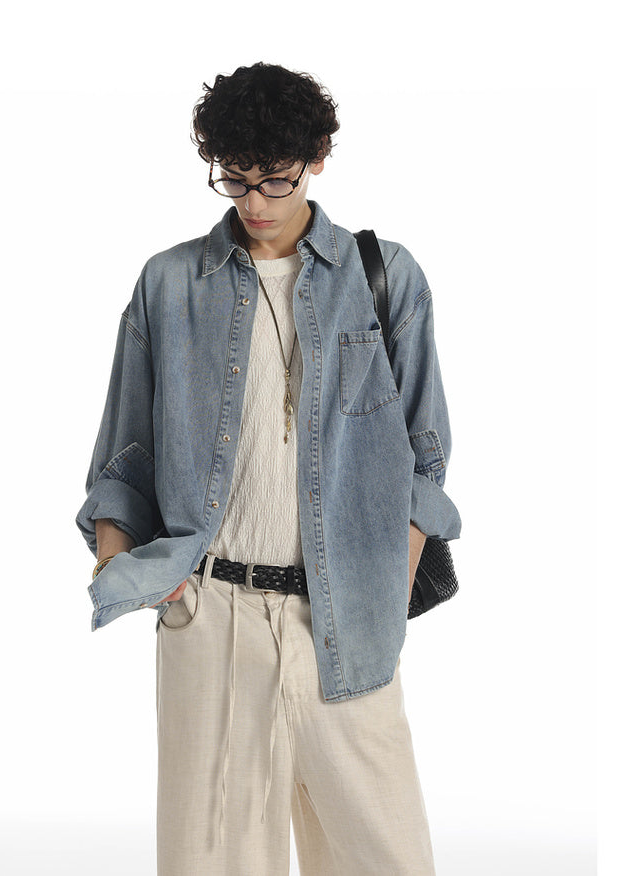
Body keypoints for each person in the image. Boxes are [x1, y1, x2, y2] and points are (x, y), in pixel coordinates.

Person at [76, 62, 461, 876]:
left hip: (347, 619)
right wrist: (126, 571)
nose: (254, 202)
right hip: (209, 618)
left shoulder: (385, 276)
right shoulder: (170, 283)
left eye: (275, 179)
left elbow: (425, 459)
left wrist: (389, 590)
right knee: (210, 862)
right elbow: (122, 458)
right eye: (235, 178)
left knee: (386, 857)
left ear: (318, 156)